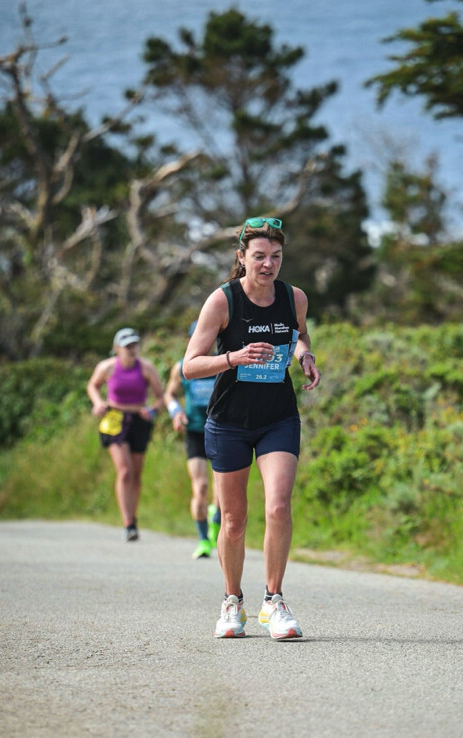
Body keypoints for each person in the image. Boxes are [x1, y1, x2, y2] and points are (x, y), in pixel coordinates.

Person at [183, 216, 321, 639]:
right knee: (233, 520)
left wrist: (304, 355)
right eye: (259, 256)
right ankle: (232, 602)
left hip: (278, 417)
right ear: (241, 257)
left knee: (278, 506)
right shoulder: (222, 301)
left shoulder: (294, 297)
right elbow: (189, 366)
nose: (268, 265)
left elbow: (299, 335)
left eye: (276, 256)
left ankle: (274, 601)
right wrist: (234, 358)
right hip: (229, 422)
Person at [87, 328, 164, 542]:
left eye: (134, 345)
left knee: (136, 473)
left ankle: (133, 517)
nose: (131, 349)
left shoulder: (146, 368)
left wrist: (153, 410)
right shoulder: (107, 367)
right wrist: (98, 403)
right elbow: (92, 386)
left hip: (139, 420)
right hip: (115, 418)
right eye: (127, 346)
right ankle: (128, 522)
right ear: (117, 348)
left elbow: (160, 396)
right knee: (124, 471)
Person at [164, 322, 221, 560]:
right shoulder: (181, 367)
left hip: (220, 430)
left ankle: (216, 522)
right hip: (195, 431)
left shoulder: (222, 362)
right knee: (201, 487)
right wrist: (176, 412)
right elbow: (169, 394)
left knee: (221, 491)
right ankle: (203, 540)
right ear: (190, 340)